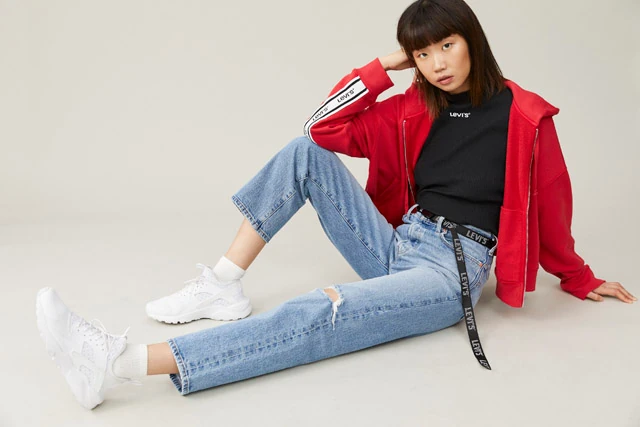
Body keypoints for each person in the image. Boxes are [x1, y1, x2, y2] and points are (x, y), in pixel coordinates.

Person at [35, 0, 635, 410]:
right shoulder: (416, 105)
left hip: (449, 271)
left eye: (447, 46)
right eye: (423, 54)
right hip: (398, 242)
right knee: (303, 154)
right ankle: (223, 283)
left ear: (472, 41)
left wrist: (579, 277)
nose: (436, 64)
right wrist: (383, 67)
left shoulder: (524, 116)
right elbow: (320, 131)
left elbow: (552, 205)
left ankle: (120, 363)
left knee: (325, 310)